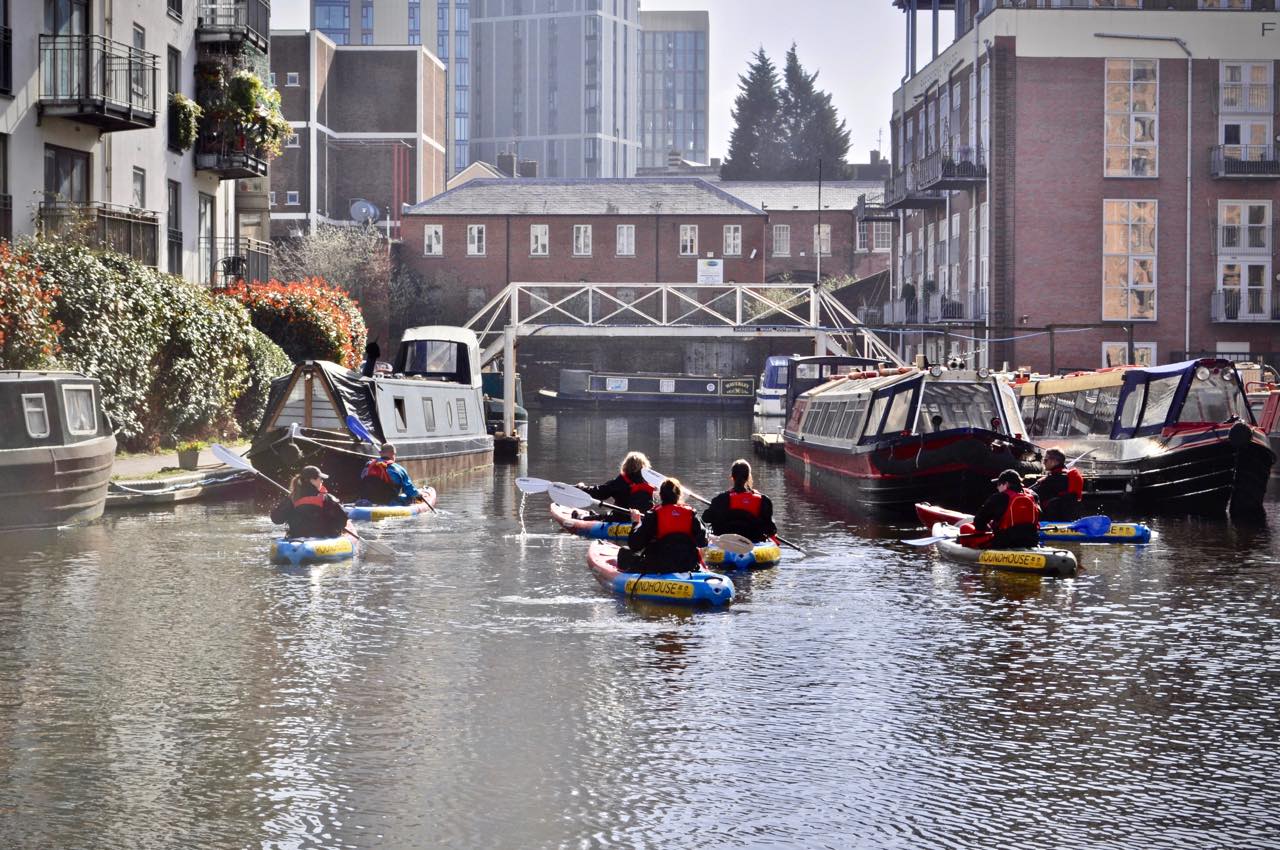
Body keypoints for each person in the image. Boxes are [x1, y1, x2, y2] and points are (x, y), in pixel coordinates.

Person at [625, 477, 709, 573]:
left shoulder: (653, 514)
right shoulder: (691, 514)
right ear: (679, 495)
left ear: (660, 495)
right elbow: (703, 542)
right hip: (687, 565)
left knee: (624, 552)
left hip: (659, 566)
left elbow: (635, 545)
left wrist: (636, 522)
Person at [959, 469, 1040, 549]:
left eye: (999, 484)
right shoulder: (1033, 496)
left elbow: (979, 521)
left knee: (965, 527)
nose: (997, 487)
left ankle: (968, 551)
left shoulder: (998, 497)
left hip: (1005, 543)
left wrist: (989, 529)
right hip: (1032, 541)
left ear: (1006, 484)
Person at [701, 458, 777, 543]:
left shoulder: (721, 499)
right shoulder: (763, 501)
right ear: (748, 477)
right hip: (753, 543)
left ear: (732, 477)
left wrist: (715, 509)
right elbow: (771, 529)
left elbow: (705, 518)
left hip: (725, 544)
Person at [270, 465, 349, 539]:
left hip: (297, 539)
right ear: (312, 480)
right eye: (320, 479)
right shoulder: (327, 498)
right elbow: (343, 521)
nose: (322, 481)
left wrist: (277, 507)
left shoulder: (291, 499)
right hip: (323, 538)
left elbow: (276, 519)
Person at [576, 451, 656, 514]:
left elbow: (599, 493)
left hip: (621, 519)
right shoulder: (649, 483)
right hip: (644, 520)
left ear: (626, 465)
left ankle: (583, 517)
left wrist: (581, 487)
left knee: (604, 516)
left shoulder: (619, 482)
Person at [359, 443, 427, 505]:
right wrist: (420, 500)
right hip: (389, 502)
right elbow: (410, 491)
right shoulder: (398, 469)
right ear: (393, 453)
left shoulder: (368, 465)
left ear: (380, 453)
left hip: (367, 500)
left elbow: (362, 481)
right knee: (410, 499)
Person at [1030, 448, 1084, 522]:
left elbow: (1035, 495)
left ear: (1054, 462)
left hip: (1054, 520)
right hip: (1070, 516)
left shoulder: (1054, 478)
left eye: (1045, 460)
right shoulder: (1065, 476)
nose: (1043, 463)